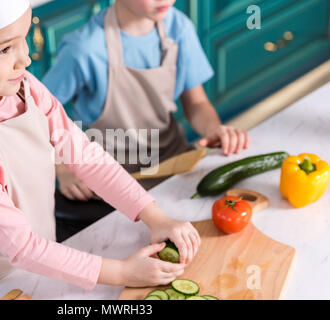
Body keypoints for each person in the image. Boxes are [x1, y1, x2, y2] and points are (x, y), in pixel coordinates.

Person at [0, 0, 200, 299]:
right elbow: (20, 246)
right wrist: (122, 272)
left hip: (45, 258)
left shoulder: (25, 87)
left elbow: (84, 156)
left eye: (24, 39)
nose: (26, 58)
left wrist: (154, 216)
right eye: (5, 49)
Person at [43, 0, 250, 198]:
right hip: (108, 178)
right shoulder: (84, 49)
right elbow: (39, 115)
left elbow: (196, 102)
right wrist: (63, 168)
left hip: (174, 161)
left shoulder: (179, 28)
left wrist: (213, 129)